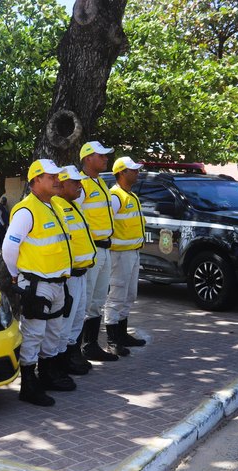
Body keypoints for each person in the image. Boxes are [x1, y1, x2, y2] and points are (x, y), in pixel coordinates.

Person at [2, 159, 73, 407]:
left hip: (56, 283)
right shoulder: (26, 210)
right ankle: (29, 385)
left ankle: (48, 375)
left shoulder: (54, 206)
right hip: (37, 284)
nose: (57, 180)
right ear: (36, 180)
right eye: (51, 176)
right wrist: (15, 274)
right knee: (34, 334)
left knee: (53, 332)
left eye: (58, 175)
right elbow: (9, 247)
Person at [76, 141, 120, 362]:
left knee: (98, 299)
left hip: (104, 248)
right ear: (87, 159)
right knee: (84, 300)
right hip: (91, 251)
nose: (105, 159)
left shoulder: (100, 183)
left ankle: (90, 344)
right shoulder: (82, 186)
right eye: (100, 156)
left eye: (106, 156)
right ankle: (76, 350)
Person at [52, 166, 97, 376]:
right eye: (74, 182)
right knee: (65, 321)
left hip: (81, 273)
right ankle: (62, 362)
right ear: (61, 184)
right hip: (68, 276)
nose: (80, 186)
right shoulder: (57, 207)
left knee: (78, 317)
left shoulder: (73, 205)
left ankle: (72, 354)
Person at [104, 156, 147, 356]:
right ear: (121, 172)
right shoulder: (115, 197)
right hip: (119, 255)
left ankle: (122, 335)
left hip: (132, 253)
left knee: (129, 295)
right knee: (116, 296)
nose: (137, 173)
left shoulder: (131, 196)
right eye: (133, 170)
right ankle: (112, 340)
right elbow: (106, 226)